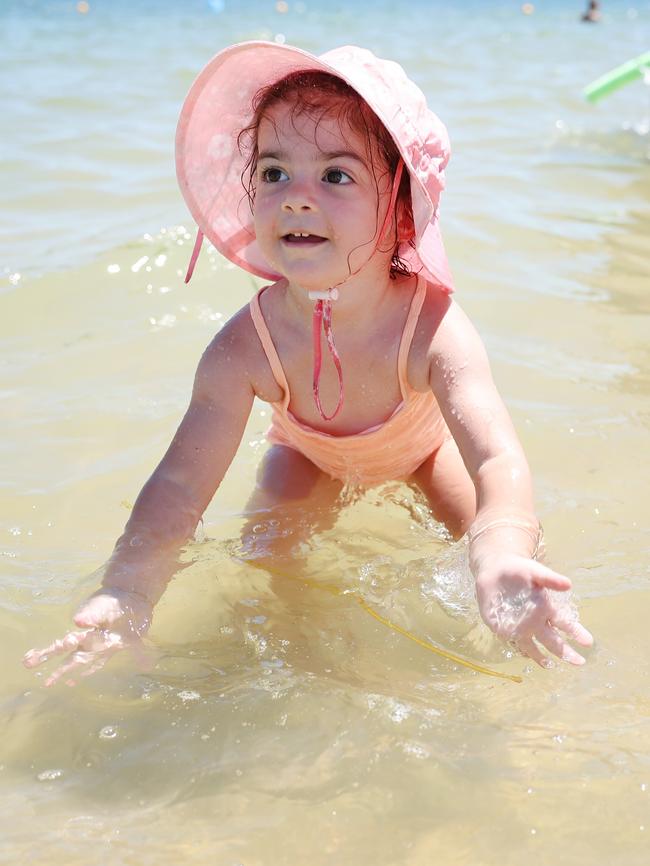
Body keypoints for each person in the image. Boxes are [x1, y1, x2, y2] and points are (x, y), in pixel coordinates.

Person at [23, 42, 593, 686]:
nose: (295, 197)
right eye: (272, 173)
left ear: (402, 207)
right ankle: (308, 669)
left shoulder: (430, 330)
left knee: (486, 553)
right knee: (267, 561)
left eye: (336, 175)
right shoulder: (247, 347)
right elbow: (180, 488)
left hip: (425, 455)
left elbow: (494, 459)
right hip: (307, 455)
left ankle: (508, 627)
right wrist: (127, 590)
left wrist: (503, 546)